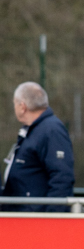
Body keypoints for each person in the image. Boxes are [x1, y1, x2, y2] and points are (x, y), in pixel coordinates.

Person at [2, 82, 74, 212]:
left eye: (15, 104)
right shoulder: (32, 130)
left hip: (35, 219)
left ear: (22, 106)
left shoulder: (51, 131)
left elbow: (62, 177)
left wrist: (50, 219)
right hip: (21, 216)